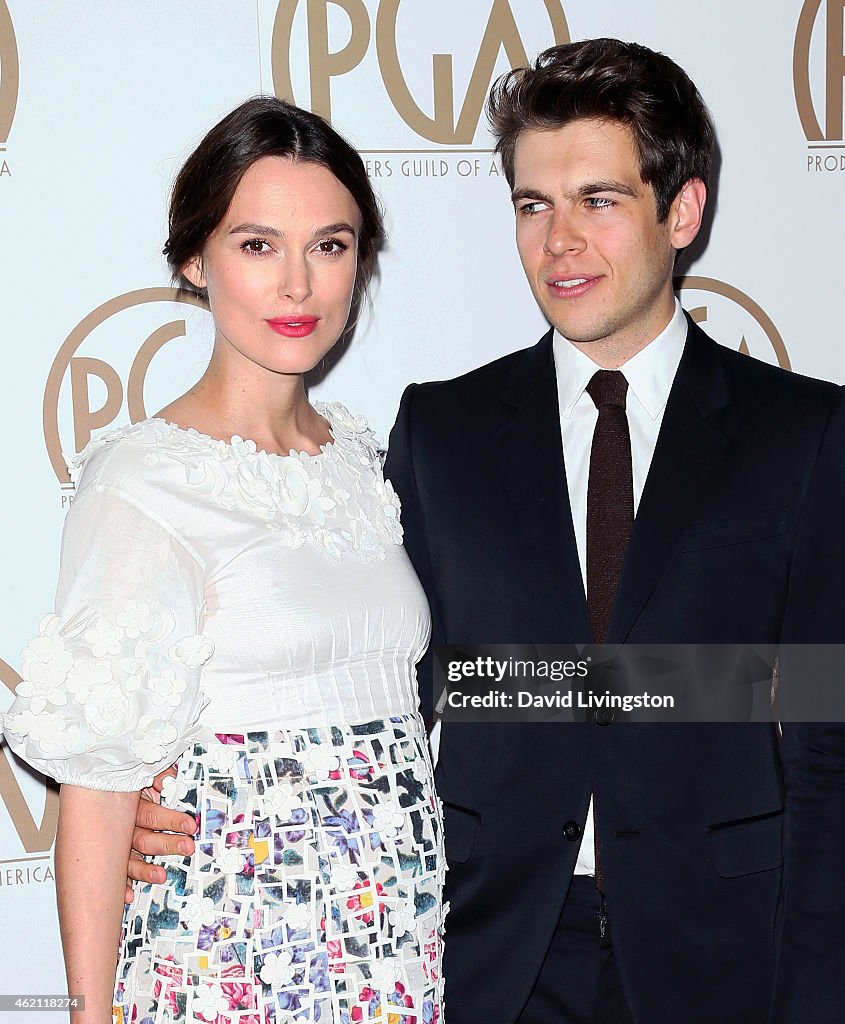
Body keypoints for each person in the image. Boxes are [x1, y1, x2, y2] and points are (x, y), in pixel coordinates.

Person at [128, 38, 845, 1024]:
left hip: (720, 948)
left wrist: (814, 996)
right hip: (487, 951)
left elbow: (823, 736)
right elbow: (377, 678)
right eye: (531, 204)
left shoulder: (799, 437)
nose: (558, 242)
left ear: (680, 211)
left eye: (597, 200)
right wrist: (175, 800)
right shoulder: (445, 429)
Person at [2, 97, 444, 1024]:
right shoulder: (143, 479)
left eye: (330, 245)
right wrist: (91, 1016)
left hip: (389, 941)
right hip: (229, 942)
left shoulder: (362, 459)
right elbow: (97, 783)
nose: (298, 286)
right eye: (257, 245)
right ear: (194, 261)